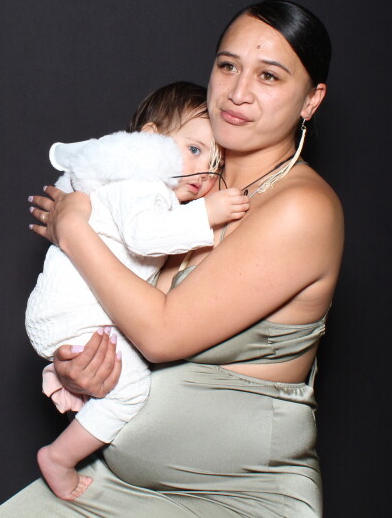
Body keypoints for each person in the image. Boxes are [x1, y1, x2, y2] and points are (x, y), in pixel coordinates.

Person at [0, 0, 343, 517]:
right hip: (108, 484)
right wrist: (86, 369)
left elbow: (159, 334)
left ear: (311, 100)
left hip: (232, 499)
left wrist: (73, 229)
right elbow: (125, 317)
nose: (238, 92)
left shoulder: (301, 210)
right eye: (228, 66)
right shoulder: (184, 187)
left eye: (269, 76)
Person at [26, 82, 249, 501]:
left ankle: (64, 398)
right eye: (194, 150)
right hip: (75, 314)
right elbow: (146, 237)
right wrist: (208, 213)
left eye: (214, 163)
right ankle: (58, 458)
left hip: (79, 314)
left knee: (122, 378)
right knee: (131, 389)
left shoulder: (148, 192)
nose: (204, 172)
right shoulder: (140, 185)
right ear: (150, 140)